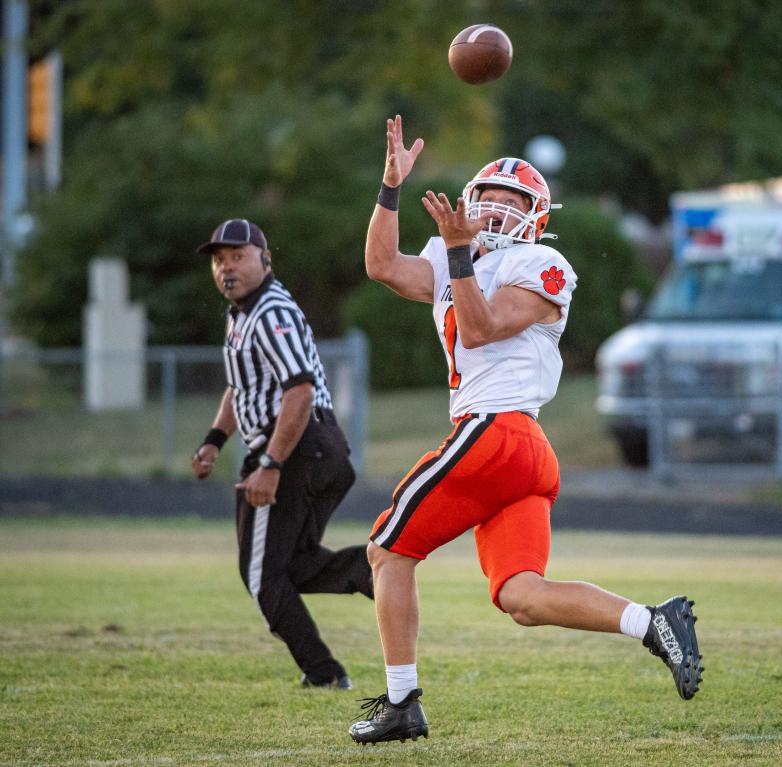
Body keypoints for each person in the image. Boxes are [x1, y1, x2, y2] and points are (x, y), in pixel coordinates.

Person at [347, 116, 703, 745]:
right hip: (521, 453)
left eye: (514, 202)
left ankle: (401, 702)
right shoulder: (453, 256)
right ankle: (653, 622)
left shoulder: (544, 263)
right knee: (523, 597)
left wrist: (458, 252)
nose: (497, 208)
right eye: (489, 197)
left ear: (537, 217)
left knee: (387, 550)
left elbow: (480, 328)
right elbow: (379, 264)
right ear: (469, 202)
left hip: (499, 431)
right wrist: (390, 186)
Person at [191, 218, 373, 690]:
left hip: (295, 448)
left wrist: (270, 465)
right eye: (218, 259)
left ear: (265, 259)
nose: (226, 267)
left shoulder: (269, 310)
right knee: (289, 568)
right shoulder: (241, 313)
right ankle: (370, 569)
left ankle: (325, 674)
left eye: (237, 256)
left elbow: (299, 391)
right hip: (310, 448)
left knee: (261, 576)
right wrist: (215, 438)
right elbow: (242, 387)